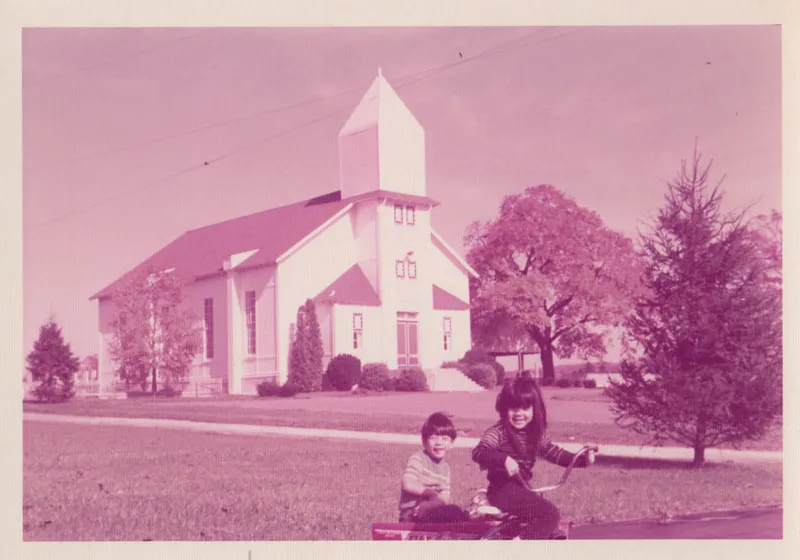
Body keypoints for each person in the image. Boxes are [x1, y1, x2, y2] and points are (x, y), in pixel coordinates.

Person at [472, 373, 596, 539]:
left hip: (522, 488)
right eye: (513, 408)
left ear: (535, 409)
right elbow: (479, 452)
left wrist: (582, 460)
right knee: (549, 515)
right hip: (502, 490)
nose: (519, 413)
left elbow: (553, 453)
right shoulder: (499, 432)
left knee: (548, 525)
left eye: (525, 408)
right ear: (503, 409)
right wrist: (503, 459)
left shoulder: (536, 434)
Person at [398, 412, 469, 523]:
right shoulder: (419, 458)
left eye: (445, 439)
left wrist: (430, 505)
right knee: (454, 512)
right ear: (424, 441)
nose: (439, 443)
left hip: (430, 511)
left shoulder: (445, 468)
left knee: (460, 514)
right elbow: (407, 483)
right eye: (434, 438)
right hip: (412, 514)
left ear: (452, 443)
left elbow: (444, 497)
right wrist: (430, 493)